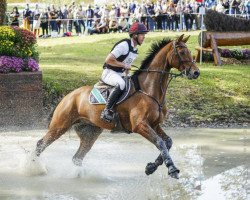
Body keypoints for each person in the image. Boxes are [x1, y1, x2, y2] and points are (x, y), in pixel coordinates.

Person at [100, 22, 148, 123]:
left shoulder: (135, 50)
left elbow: (126, 68)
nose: (144, 37)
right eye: (142, 34)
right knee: (121, 84)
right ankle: (106, 110)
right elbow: (108, 60)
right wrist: (125, 66)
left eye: (144, 35)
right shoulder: (124, 45)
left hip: (120, 74)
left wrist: (128, 74)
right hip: (109, 72)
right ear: (135, 35)